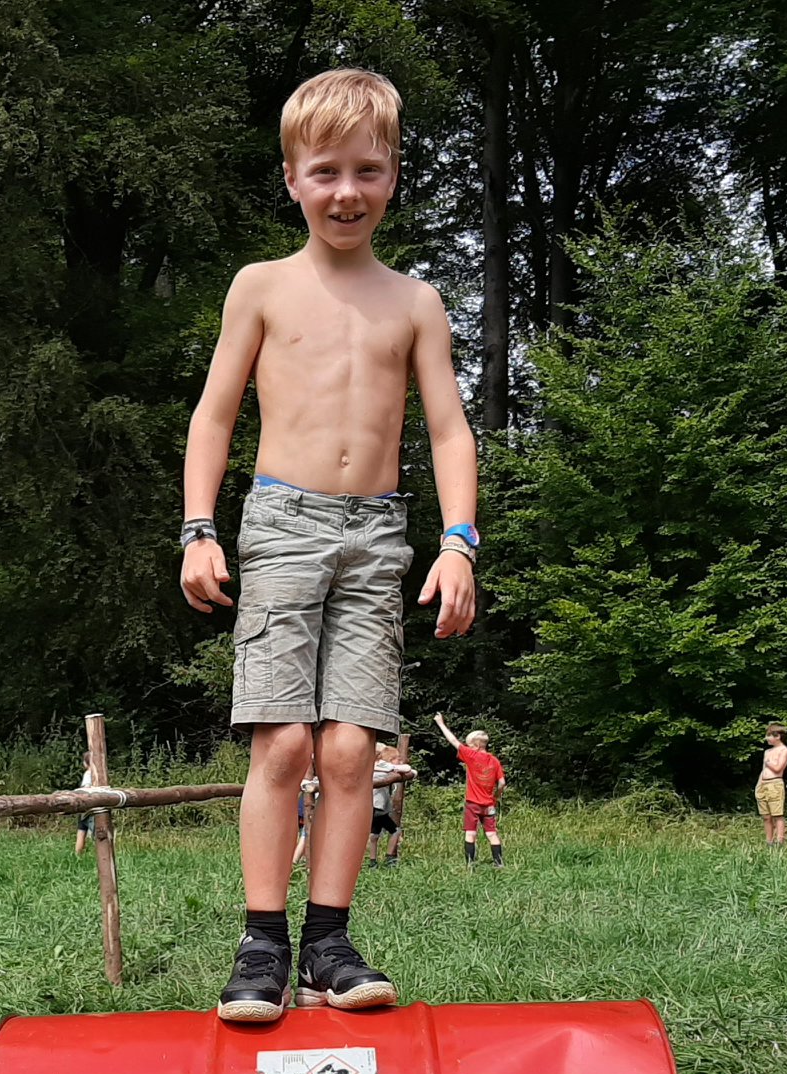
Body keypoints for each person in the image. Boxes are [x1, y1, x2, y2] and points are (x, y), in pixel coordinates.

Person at [178, 68, 478, 1021]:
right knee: (283, 744)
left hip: (377, 536)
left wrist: (459, 542)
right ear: (291, 179)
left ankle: (330, 942)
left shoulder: (415, 301)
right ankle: (261, 944)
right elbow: (213, 416)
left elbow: (448, 432)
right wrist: (198, 529)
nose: (346, 191)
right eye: (325, 172)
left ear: (392, 176)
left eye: (367, 170)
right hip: (282, 524)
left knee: (352, 750)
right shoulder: (261, 287)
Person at [432, 712, 504, 866]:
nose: (468, 746)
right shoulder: (495, 761)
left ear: (476, 745)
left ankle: (470, 864)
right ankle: (499, 864)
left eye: (469, 744)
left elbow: (452, 740)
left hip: (473, 803)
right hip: (489, 804)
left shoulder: (471, 755)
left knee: (470, 833)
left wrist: (440, 723)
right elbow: (502, 783)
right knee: (492, 834)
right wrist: (496, 796)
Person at [368, 743, 416, 866]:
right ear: (390, 760)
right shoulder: (385, 767)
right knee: (395, 831)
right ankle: (390, 859)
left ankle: (373, 861)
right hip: (377, 807)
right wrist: (395, 768)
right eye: (397, 759)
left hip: (374, 807)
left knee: (374, 835)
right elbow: (407, 769)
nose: (400, 761)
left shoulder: (375, 767)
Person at [757, 722, 787, 846]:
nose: (767, 738)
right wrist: (759, 785)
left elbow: (778, 768)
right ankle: (769, 841)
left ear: (777, 736)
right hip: (763, 784)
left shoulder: (784, 750)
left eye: (769, 736)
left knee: (777, 814)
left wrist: (769, 762)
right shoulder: (767, 752)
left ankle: (779, 841)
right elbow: (763, 770)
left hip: (775, 784)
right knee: (766, 816)